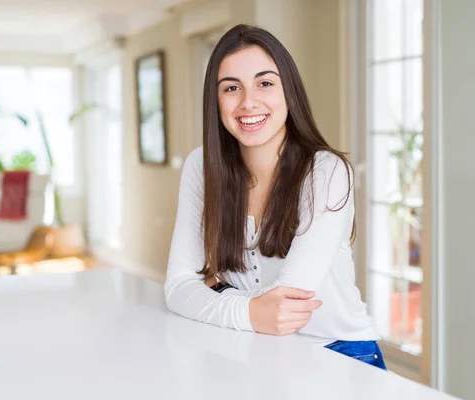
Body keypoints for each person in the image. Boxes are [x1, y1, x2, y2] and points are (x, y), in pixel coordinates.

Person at [165, 24, 385, 370]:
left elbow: (287, 308)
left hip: (340, 354)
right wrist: (251, 309)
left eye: (265, 83)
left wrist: (218, 292)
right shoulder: (202, 167)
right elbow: (177, 288)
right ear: (215, 100)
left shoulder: (326, 171)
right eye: (231, 88)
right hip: (250, 349)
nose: (248, 101)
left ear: (289, 92)